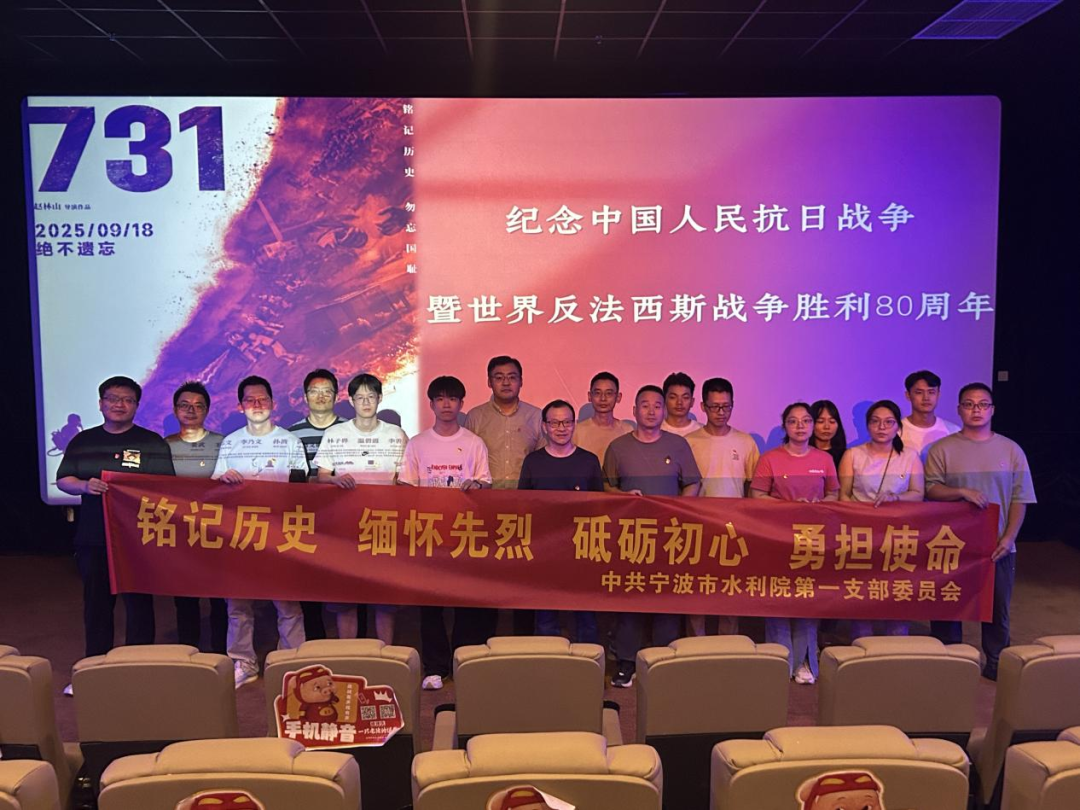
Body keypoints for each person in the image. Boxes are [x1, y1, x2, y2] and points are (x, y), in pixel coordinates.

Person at [57, 376, 175, 681]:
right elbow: (64, 479)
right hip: (94, 537)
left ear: (136, 405)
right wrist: (85, 485)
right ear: (101, 404)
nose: (119, 405)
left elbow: (166, 488)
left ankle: (139, 669)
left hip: (138, 539)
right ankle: (94, 671)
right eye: (112, 399)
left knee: (139, 605)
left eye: (127, 400)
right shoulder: (83, 441)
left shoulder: (151, 443)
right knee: (96, 605)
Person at [925, 383, 1036, 681]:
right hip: (951, 545)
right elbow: (931, 490)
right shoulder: (942, 449)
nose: (976, 410)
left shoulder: (1011, 450)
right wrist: (961, 491)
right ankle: (950, 661)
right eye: (969, 404)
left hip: (998, 545)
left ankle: (997, 662)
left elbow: (1021, 498)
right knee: (948, 606)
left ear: (992, 410)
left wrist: (1009, 538)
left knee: (996, 609)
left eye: (983, 404)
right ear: (959, 409)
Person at [213, 375, 308, 688]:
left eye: (262, 399)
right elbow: (214, 488)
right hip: (240, 532)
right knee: (238, 605)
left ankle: (290, 661)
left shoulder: (290, 442)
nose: (256, 404)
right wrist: (223, 480)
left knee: (288, 603)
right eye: (250, 400)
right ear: (240, 406)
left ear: (273, 403)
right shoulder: (231, 442)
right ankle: (243, 662)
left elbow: (302, 489)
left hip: (281, 532)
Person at [603, 385, 701, 687]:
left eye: (657, 405)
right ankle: (626, 662)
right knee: (629, 598)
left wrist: (680, 508)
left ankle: (663, 659)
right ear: (634, 410)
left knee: (665, 598)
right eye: (644, 405)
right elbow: (606, 487)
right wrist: (623, 497)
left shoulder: (678, 445)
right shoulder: (618, 447)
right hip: (630, 536)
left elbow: (693, 483)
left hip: (669, 536)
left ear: (664, 411)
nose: (651, 411)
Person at [399, 375, 492, 690]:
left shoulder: (474, 442)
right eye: (440, 398)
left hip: (465, 533)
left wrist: (476, 486)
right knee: (431, 605)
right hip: (429, 534)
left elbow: (485, 483)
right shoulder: (418, 443)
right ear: (431, 404)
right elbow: (406, 486)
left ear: (461, 403)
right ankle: (435, 667)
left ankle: (463, 661)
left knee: (465, 603)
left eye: (452, 398)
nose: (446, 404)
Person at [315, 373, 407, 644]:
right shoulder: (335, 434)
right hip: (345, 528)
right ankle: (348, 656)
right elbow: (322, 476)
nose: (366, 402)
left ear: (380, 398)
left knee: (384, 600)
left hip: (384, 526)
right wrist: (334, 480)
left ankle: (385, 655)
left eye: (371, 397)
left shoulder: (396, 435)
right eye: (360, 397)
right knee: (346, 598)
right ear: (351, 401)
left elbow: (405, 479)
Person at [751, 402, 839, 684]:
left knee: (806, 599)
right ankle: (779, 661)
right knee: (778, 599)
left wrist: (816, 506)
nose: (800, 426)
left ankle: (804, 662)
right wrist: (788, 507)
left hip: (812, 540)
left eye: (806, 421)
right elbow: (757, 496)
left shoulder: (824, 459)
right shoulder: (770, 458)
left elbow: (834, 495)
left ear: (812, 426)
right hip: (777, 537)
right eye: (793, 421)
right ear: (784, 426)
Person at [464, 355, 543, 636]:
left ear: (521, 381)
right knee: (486, 579)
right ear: (489, 382)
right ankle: (482, 643)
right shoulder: (475, 417)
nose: (506, 382)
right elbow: (467, 461)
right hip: (484, 509)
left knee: (523, 579)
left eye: (512, 377)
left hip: (525, 511)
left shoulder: (536, 416)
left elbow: (543, 461)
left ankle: (523, 642)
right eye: (499, 377)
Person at [838, 399, 924, 640]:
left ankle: (896, 652)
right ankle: (862, 649)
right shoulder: (853, 455)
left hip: (898, 537)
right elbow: (843, 495)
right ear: (867, 425)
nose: (881, 427)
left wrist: (896, 498)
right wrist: (861, 514)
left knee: (896, 596)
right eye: (875, 422)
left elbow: (918, 494)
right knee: (862, 597)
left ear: (898, 427)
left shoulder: (910, 456)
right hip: (861, 536)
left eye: (888, 422)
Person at [520, 399, 604, 644]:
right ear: (544, 426)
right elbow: (522, 505)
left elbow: (600, 505)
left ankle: (588, 661)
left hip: (581, 550)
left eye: (567, 422)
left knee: (585, 615)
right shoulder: (533, 462)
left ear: (574, 424)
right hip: (544, 551)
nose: (561, 428)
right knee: (545, 616)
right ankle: (549, 661)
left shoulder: (588, 461)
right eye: (555, 423)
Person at [685, 377, 760, 636]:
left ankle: (728, 643)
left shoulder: (745, 442)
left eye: (726, 406)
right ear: (703, 407)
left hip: (734, 527)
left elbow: (753, 487)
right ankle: (696, 644)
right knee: (697, 590)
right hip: (699, 526)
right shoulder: (689, 442)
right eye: (715, 406)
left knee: (730, 590)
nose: (721, 412)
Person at [165, 381, 227, 654]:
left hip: (217, 531)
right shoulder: (163, 446)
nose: (191, 411)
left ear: (207, 411)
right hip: (180, 531)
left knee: (220, 597)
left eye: (198, 406)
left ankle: (220, 653)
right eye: (184, 405)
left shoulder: (223, 444)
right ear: (175, 410)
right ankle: (187, 653)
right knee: (185, 597)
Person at [289, 369, 346, 642]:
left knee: (345, 586)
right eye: (314, 391)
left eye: (327, 391)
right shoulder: (291, 434)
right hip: (306, 519)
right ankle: (315, 643)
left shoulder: (350, 429)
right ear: (305, 397)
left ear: (336, 395)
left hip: (342, 520)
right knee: (308, 586)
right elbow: (290, 479)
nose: (321, 396)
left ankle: (351, 646)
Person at [572, 371, 634, 463]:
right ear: (590, 396)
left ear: (618, 397)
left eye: (609, 393)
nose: (603, 399)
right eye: (597, 393)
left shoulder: (627, 430)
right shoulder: (577, 431)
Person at [901, 370, 960, 459]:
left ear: (938, 394)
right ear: (908, 395)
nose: (926, 398)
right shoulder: (896, 432)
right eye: (919, 392)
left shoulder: (953, 432)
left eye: (931, 392)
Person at [810, 399, 847, 471]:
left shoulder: (845, 456)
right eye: (820, 421)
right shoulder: (802, 453)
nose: (827, 427)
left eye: (832, 421)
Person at [660, 371, 700, 437]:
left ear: (692, 401)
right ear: (664, 400)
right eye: (673, 397)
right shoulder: (655, 430)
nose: (679, 402)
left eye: (685, 397)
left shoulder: (701, 431)